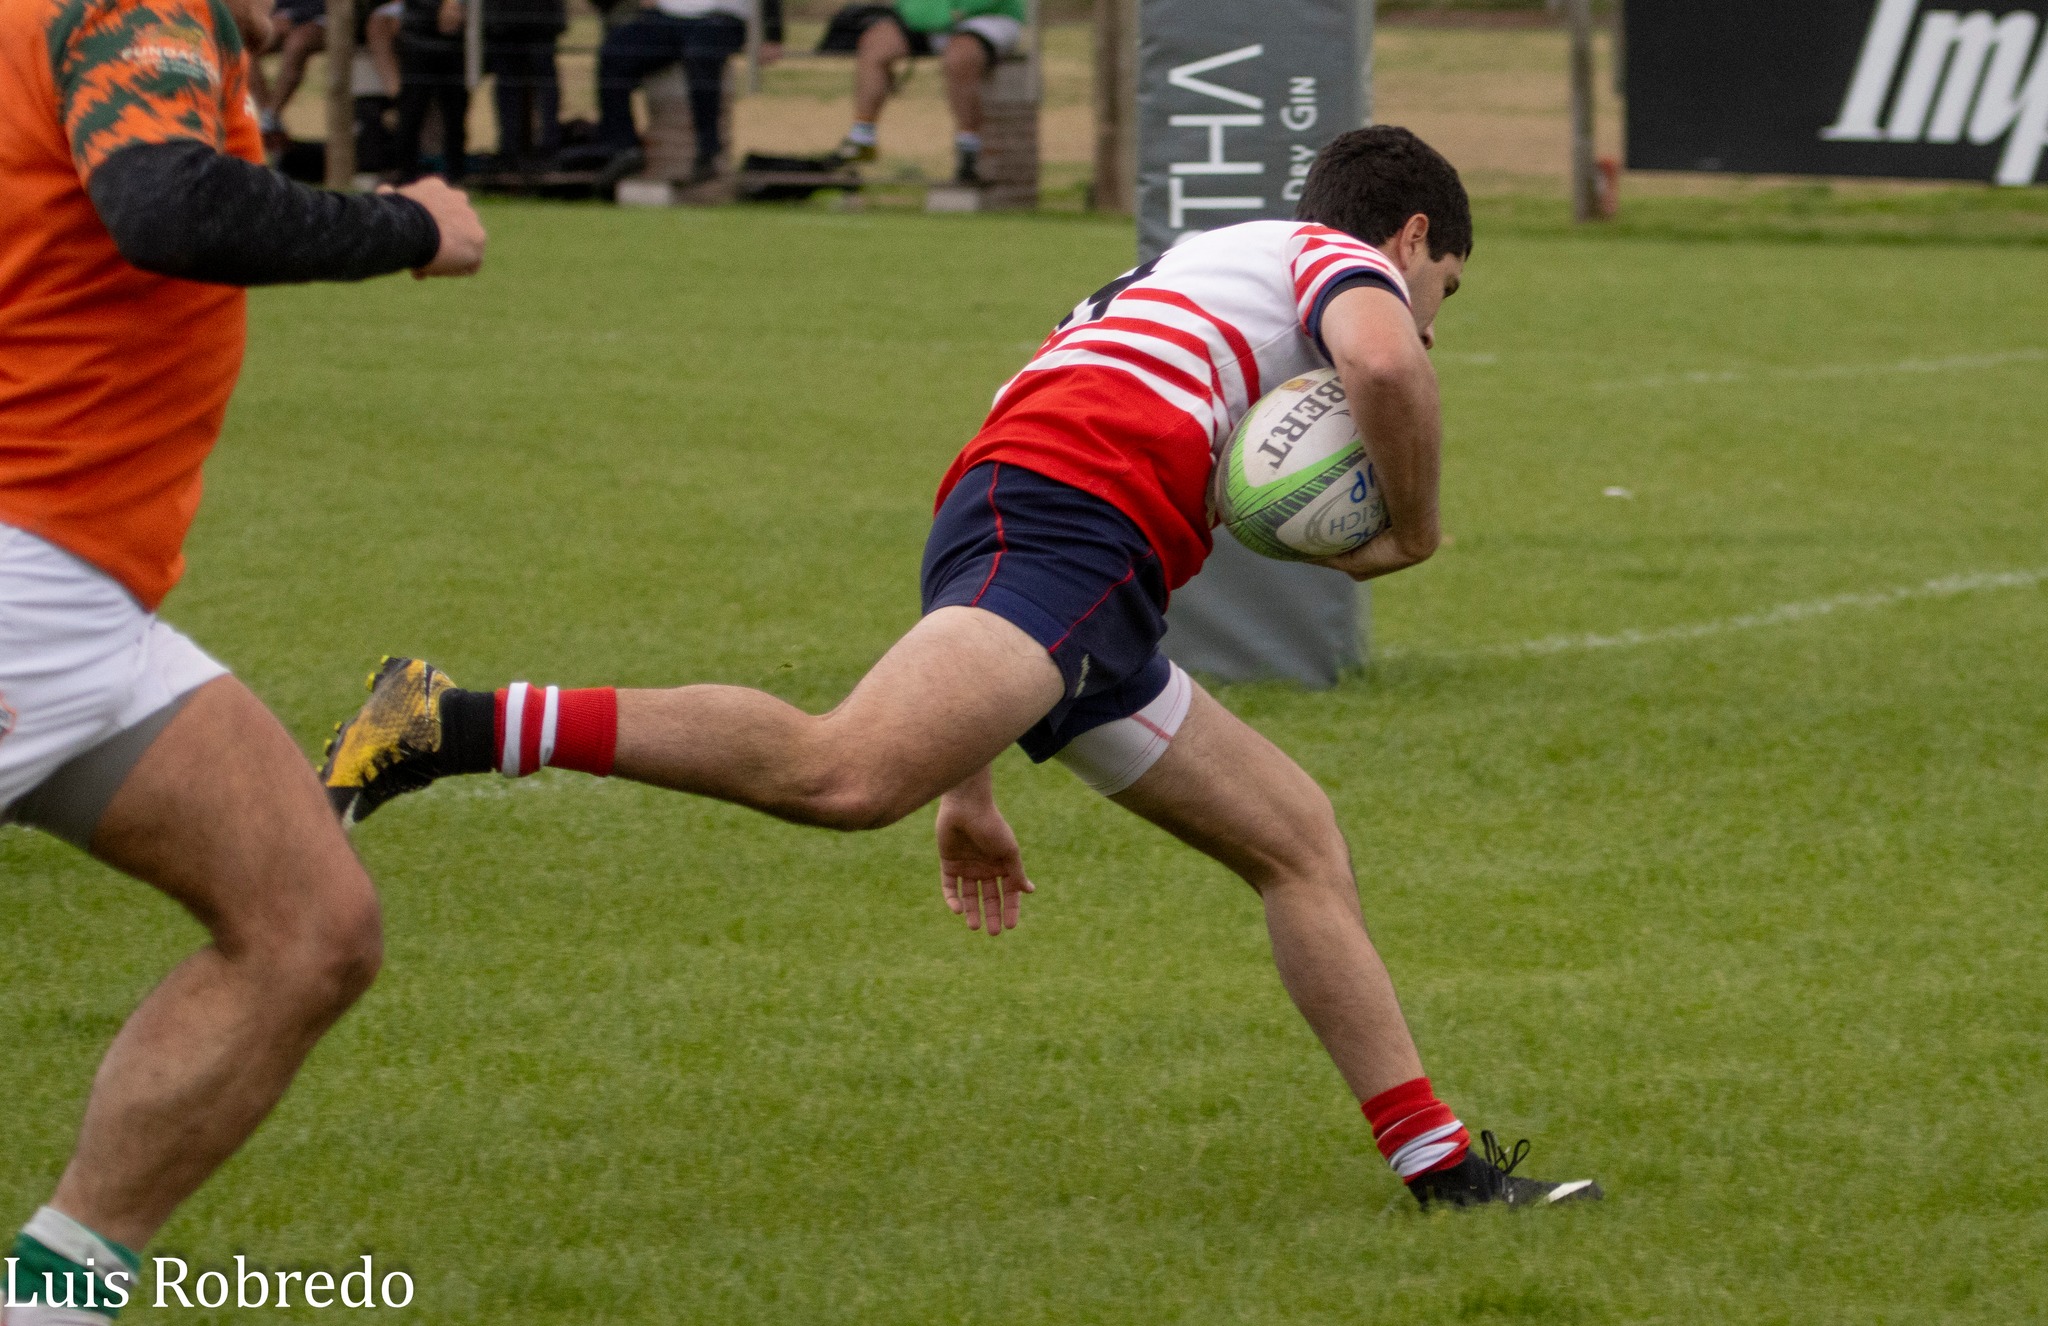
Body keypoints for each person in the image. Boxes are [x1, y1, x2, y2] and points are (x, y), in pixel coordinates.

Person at [321, 127, 1602, 1212]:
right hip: (1079, 524)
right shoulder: (1337, 258)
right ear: (1414, 238)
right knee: (839, 774)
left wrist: (970, 785)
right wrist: (1413, 532)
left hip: (1063, 542)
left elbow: (999, 501)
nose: (1431, 321)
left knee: (1293, 839)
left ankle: (1439, 1169)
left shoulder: (1188, 274)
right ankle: (448, 720)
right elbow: (1380, 363)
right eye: (1446, 289)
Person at [0, 0, 487, 1314]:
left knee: (311, 926)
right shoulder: (131, 4)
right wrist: (409, 223)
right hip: (20, 577)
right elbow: (167, 206)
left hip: (78, 606)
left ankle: (50, 1295)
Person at [832, 0, 1025, 186]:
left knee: (959, 56)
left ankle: (968, 152)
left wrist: (951, 11)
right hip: (930, 15)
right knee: (876, 43)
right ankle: (862, 138)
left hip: (987, 16)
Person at [591, 0, 782, 186]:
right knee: (615, 53)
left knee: (701, 55)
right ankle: (625, 147)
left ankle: (708, 152)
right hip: (669, 14)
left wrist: (772, 36)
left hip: (722, 16)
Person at [393, 0, 470, 181]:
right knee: (412, 110)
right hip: (417, 34)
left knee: (455, 112)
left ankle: (455, 178)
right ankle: (407, 178)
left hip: (454, 38)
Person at [484, 0, 565, 171]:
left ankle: (513, 153)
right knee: (533, 83)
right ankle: (543, 151)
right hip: (534, 16)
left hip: (510, 17)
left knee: (511, 85)